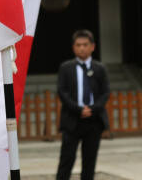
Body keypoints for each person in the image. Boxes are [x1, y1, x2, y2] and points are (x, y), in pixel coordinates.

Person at [56, 29, 110, 180]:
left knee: (89, 161)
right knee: (66, 159)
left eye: (85, 44)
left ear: (92, 46)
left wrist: (92, 109)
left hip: (93, 120)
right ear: (73, 47)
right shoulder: (66, 68)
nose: (82, 48)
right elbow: (62, 92)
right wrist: (79, 109)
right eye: (78, 45)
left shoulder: (99, 68)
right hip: (72, 119)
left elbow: (105, 93)